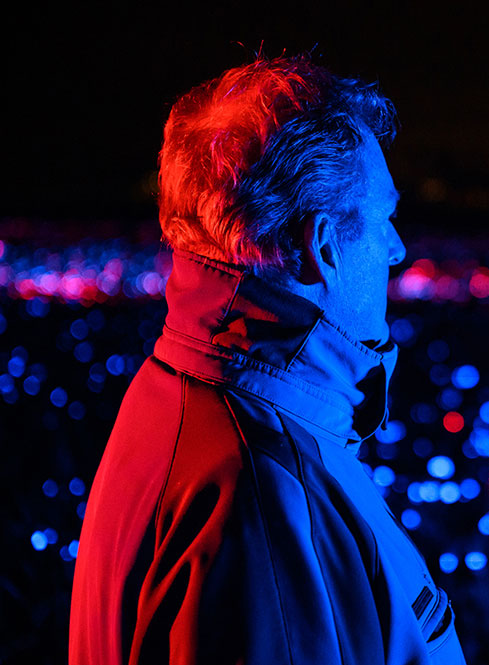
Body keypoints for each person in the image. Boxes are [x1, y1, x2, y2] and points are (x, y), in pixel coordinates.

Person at [69, 55, 467, 665]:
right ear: (324, 248)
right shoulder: (264, 495)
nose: (397, 248)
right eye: (383, 219)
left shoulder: (175, 395)